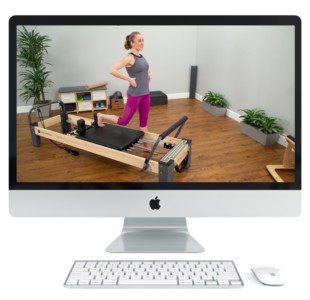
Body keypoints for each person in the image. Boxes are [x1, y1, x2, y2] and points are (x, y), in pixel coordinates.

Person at [97, 32, 152, 133]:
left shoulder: (142, 56)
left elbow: (145, 67)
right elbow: (112, 70)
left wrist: (149, 73)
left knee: (144, 123)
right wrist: (129, 79)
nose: (142, 43)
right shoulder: (129, 58)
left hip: (146, 94)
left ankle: (146, 147)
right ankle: (101, 116)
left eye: (143, 40)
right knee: (124, 121)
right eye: (140, 41)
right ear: (132, 43)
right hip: (135, 94)